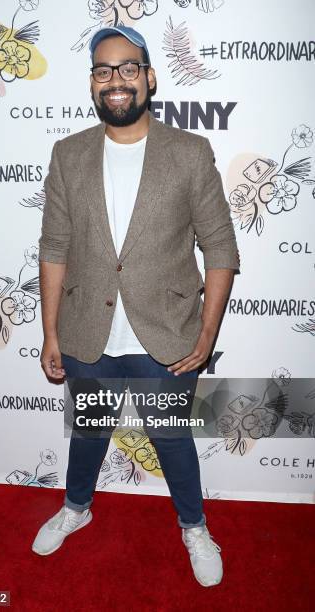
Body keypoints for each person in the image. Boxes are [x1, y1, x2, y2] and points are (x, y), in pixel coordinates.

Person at [32, 25, 240, 588]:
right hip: (85, 333)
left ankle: (194, 526)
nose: (116, 80)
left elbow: (220, 246)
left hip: (166, 336)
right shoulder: (68, 153)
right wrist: (50, 333)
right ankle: (77, 507)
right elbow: (54, 247)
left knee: (172, 441)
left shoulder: (190, 152)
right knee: (88, 432)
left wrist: (205, 335)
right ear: (93, 83)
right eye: (103, 70)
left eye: (128, 69)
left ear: (149, 77)